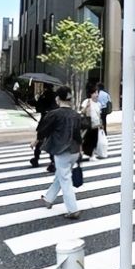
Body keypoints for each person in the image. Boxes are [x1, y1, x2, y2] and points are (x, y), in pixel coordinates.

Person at [35, 85, 82, 220]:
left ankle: (72, 209)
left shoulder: (54, 114)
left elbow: (44, 130)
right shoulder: (76, 115)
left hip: (62, 151)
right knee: (61, 175)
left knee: (65, 178)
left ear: (57, 99)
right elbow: (79, 134)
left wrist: (36, 141)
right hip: (74, 150)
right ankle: (48, 199)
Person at [31, 84, 58, 170]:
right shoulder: (55, 96)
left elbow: (38, 108)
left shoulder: (43, 96)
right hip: (53, 120)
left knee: (40, 139)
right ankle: (53, 161)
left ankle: (36, 158)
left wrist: (37, 98)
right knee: (51, 141)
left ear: (45, 87)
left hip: (44, 119)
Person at [80, 84, 102, 160]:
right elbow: (82, 111)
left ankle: (92, 155)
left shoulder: (98, 104)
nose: (97, 94)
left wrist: (100, 124)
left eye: (97, 93)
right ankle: (83, 153)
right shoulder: (87, 101)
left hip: (96, 125)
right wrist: (87, 106)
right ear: (91, 94)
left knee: (94, 140)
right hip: (88, 124)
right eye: (95, 93)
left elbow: (99, 115)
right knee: (86, 140)